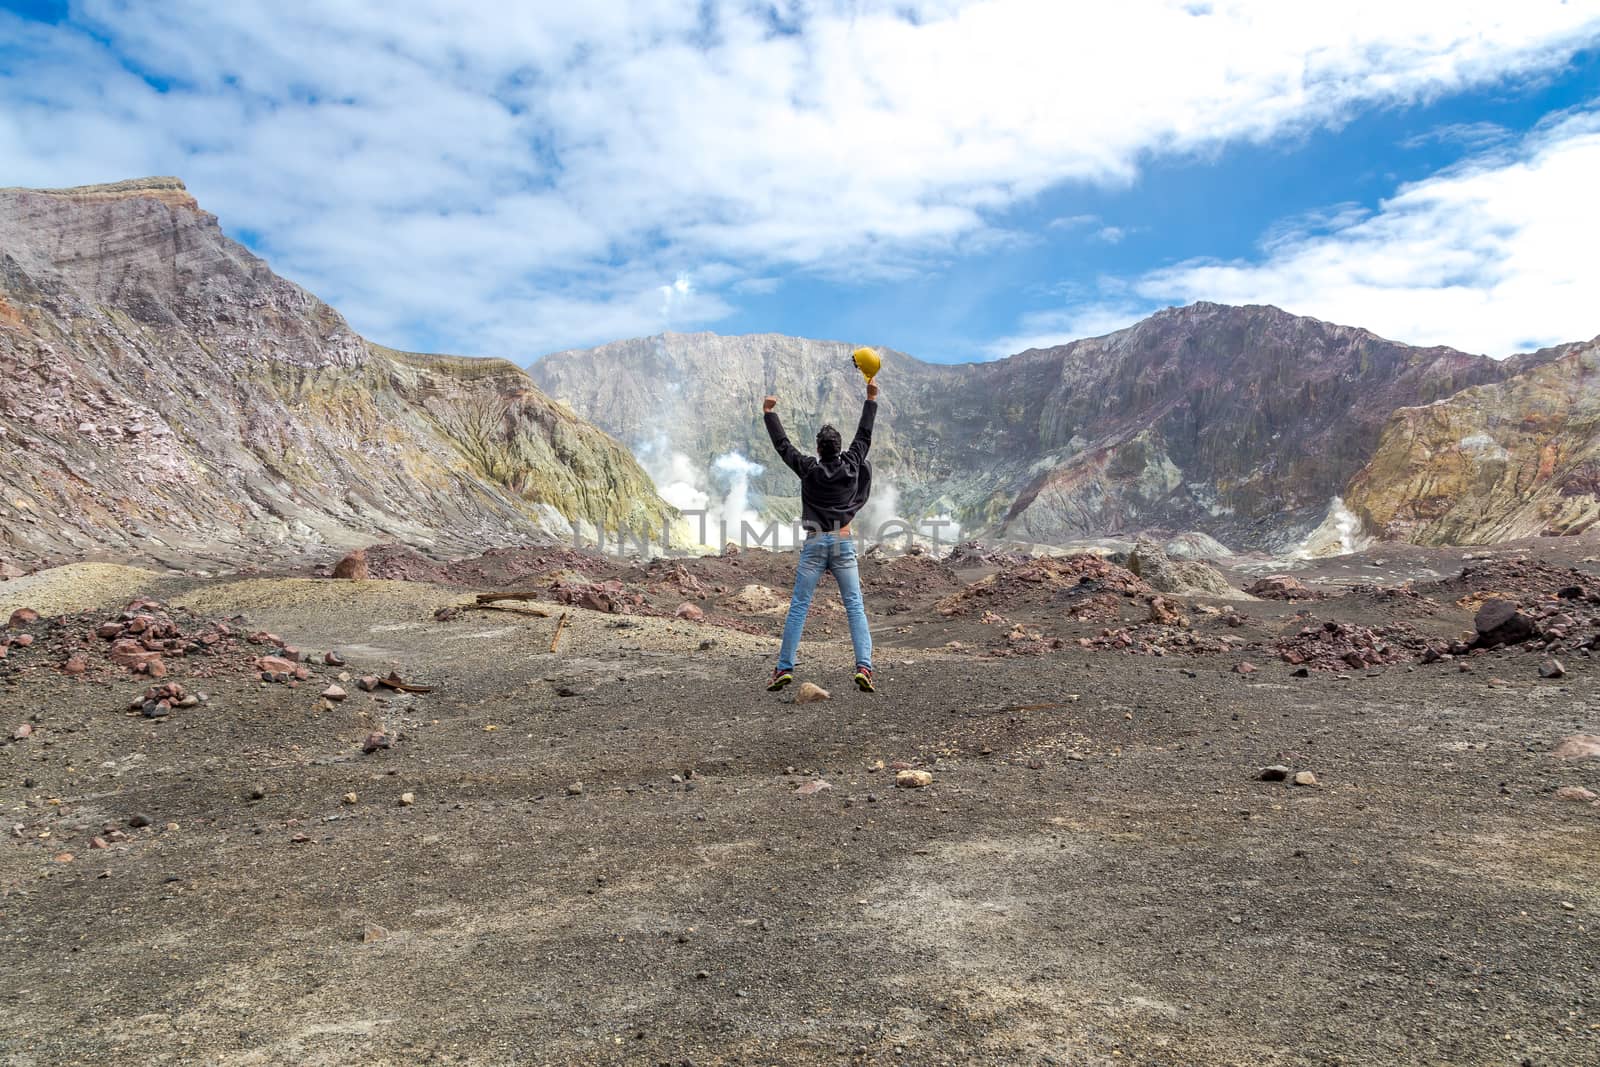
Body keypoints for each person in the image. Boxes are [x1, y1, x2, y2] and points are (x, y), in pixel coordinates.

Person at [762, 377, 879, 693]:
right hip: (842, 542)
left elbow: (782, 446)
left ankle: (784, 668)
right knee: (854, 605)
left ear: (817, 448)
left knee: (799, 606)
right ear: (840, 449)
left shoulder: (809, 469)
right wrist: (870, 397)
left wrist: (769, 413)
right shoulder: (852, 465)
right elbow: (864, 435)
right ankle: (864, 668)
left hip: (814, 543)